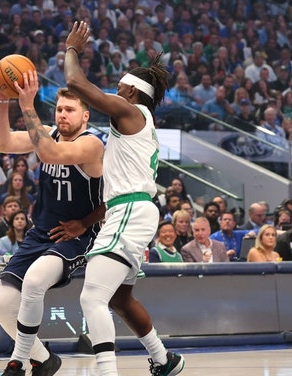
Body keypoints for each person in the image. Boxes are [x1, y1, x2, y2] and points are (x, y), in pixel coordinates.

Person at [63, 21, 184, 376]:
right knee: (119, 299)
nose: (114, 91)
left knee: (91, 297)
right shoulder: (140, 123)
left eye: (119, 87)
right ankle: (164, 360)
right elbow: (121, 187)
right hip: (131, 208)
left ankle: (106, 371)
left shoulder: (132, 112)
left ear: (132, 92)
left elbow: (76, 84)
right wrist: (86, 222)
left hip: (129, 213)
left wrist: (72, 49)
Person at [0, 75, 104, 374]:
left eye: (69, 109)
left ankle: (16, 362)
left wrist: (85, 222)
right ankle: (44, 358)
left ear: (85, 115)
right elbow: (2, 143)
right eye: (59, 109)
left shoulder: (92, 143)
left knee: (34, 281)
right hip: (40, 232)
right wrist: (3, 100)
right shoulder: (49, 134)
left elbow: (50, 153)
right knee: (1, 303)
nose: (62, 114)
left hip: (77, 235)